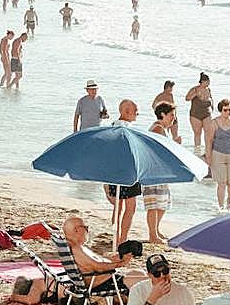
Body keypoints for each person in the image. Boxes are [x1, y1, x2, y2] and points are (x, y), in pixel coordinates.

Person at [61, 215, 134, 292]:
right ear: (76, 229)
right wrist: (120, 264)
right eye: (85, 228)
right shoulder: (76, 249)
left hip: (100, 279)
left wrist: (111, 259)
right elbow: (98, 267)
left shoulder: (74, 246)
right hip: (101, 283)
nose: (87, 231)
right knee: (142, 281)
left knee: (138, 273)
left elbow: (92, 263)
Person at [143, 102, 181, 243]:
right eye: (171, 115)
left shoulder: (160, 129)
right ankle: (153, 234)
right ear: (163, 114)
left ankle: (156, 231)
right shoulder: (158, 129)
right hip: (154, 172)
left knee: (162, 203)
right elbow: (161, 151)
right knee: (154, 204)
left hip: (159, 171)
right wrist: (175, 144)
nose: (173, 119)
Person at [105, 99, 141, 246]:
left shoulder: (113, 126)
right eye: (135, 111)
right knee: (129, 207)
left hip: (116, 171)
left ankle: (118, 238)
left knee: (119, 207)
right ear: (125, 111)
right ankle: (121, 240)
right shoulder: (125, 129)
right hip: (126, 171)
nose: (138, 113)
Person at [185, 73, 213, 155]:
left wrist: (212, 107)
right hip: (195, 114)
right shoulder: (195, 89)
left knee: (208, 133)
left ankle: (207, 151)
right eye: (207, 81)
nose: (209, 83)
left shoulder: (208, 89)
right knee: (197, 133)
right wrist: (195, 94)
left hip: (207, 113)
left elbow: (211, 98)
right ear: (203, 81)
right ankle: (197, 152)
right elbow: (187, 98)